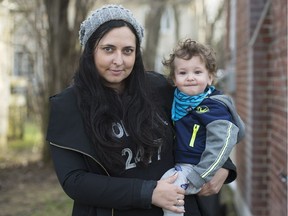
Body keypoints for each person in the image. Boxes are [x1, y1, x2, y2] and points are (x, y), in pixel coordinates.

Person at [46, 4, 237, 216]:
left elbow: (209, 116)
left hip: (180, 208)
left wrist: (224, 166)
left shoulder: (158, 87)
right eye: (108, 49)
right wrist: (148, 192)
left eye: (128, 50)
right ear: (90, 50)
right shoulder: (67, 106)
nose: (118, 61)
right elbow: (75, 181)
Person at [160, 39, 245, 216]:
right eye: (183, 73)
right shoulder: (177, 101)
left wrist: (200, 174)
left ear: (210, 77)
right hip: (181, 164)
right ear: (174, 79)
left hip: (199, 167)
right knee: (164, 187)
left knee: (170, 194)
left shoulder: (214, 107)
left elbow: (223, 143)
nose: (190, 77)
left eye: (197, 72)